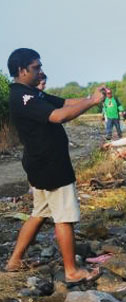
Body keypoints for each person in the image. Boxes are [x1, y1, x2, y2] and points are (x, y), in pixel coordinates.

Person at [4, 48, 103, 284]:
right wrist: (91, 102)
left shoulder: (31, 93)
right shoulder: (23, 97)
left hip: (41, 163)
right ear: (21, 70)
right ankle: (71, 271)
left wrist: (91, 96)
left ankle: (14, 260)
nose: (41, 72)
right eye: (36, 67)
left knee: (39, 214)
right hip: (49, 165)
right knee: (64, 217)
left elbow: (65, 102)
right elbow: (59, 116)